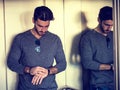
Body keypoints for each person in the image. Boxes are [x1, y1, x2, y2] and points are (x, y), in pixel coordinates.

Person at [7, 6, 66, 90]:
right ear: (33, 21)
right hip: (26, 88)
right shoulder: (20, 39)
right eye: (40, 26)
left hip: (49, 87)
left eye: (47, 26)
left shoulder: (55, 39)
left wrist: (48, 71)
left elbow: (63, 63)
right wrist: (29, 70)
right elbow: (11, 63)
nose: (43, 30)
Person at [79, 6, 114, 90]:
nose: (109, 28)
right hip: (98, 84)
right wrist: (111, 67)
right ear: (99, 20)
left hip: (115, 82)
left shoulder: (115, 35)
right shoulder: (88, 38)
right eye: (106, 25)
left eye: (112, 25)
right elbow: (87, 63)